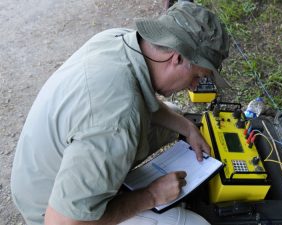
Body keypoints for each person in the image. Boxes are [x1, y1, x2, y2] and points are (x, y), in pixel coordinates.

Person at [10, 1, 230, 225]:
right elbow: (60, 222)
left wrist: (188, 128)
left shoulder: (119, 39)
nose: (194, 87)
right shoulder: (116, 119)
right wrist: (151, 196)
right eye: (198, 77)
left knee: (172, 117)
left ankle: (103, 178)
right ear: (178, 58)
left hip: (35, 173)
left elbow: (137, 100)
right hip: (47, 208)